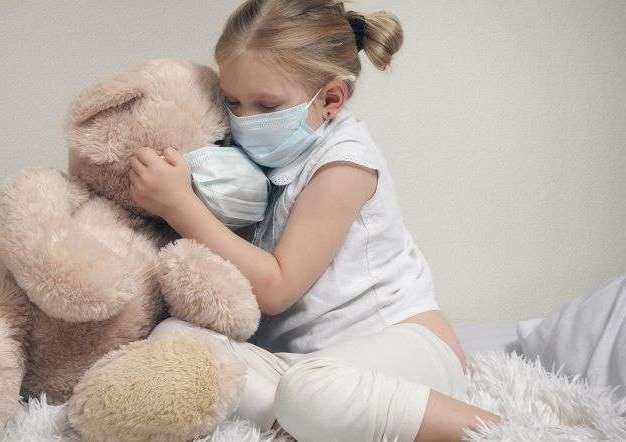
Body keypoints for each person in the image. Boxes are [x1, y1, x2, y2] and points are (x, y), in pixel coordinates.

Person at [128, 1, 502, 440]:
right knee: (176, 339)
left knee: (307, 391)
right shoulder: (260, 160)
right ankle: (307, 422)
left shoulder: (345, 163)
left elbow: (277, 288)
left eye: (266, 105)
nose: (245, 121)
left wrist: (180, 206)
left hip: (406, 348)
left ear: (330, 99)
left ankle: (503, 430)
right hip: (307, 365)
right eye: (233, 102)